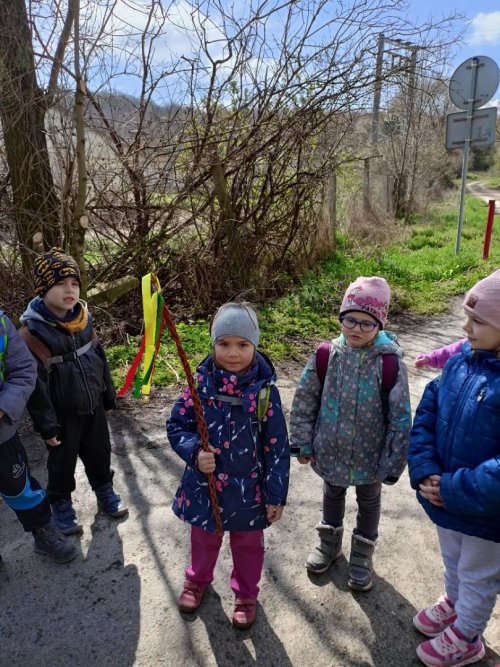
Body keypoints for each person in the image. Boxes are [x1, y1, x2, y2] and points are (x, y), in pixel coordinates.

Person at [167, 302, 289, 629]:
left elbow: (277, 448)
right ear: (213, 344)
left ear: (255, 346)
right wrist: (194, 452)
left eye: (242, 345)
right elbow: (177, 426)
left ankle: (246, 594)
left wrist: (276, 495)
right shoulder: (199, 385)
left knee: (248, 545)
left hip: (249, 490)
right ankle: (197, 579)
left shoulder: (264, 394)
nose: (232, 353)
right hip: (204, 486)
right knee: (204, 538)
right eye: (224, 344)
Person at [289, 276, 412, 591]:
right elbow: (305, 399)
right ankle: (330, 543)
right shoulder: (325, 355)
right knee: (332, 493)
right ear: (341, 317)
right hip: (330, 449)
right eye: (349, 319)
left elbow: (400, 416)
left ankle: (362, 554)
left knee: (369, 502)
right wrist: (301, 442)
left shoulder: (389, 363)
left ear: (379, 325)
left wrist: (394, 462)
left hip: (370, 455)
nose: (356, 328)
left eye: (366, 323)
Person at [408, 270, 500, 667]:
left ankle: (468, 636)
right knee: (453, 558)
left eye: (478, 320)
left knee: (478, 573)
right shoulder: (462, 359)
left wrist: (455, 488)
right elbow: (429, 408)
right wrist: (426, 469)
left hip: (486, 510)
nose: (466, 327)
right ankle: (455, 602)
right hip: (442, 492)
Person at [19, 248, 128, 536]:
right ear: (43, 289)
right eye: (60, 284)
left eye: (74, 283)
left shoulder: (84, 319)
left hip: (92, 406)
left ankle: (104, 489)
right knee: (61, 465)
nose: (69, 290)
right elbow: (33, 387)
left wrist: (108, 394)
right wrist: (46, 425)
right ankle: (61, 502)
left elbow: (99, 358)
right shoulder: (32, 333)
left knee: (99, 453)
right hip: (61, 414)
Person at [0, 309, 77, 563]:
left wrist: (3, 407)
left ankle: (42, 529)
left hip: (2, 434)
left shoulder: (1, 323)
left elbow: (23, 369)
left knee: (20, 486)